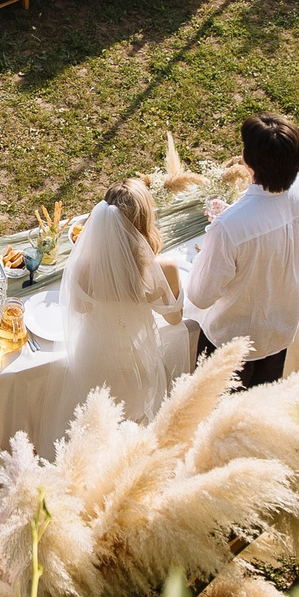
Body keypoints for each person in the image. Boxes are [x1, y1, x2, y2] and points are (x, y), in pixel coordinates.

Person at [185, 113, 299, 388]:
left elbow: (201, 296)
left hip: (229, 345)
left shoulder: (229, 229)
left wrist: (212, 245)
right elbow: (279, 235)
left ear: (248, 162)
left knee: (212, 419)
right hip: (281, 332)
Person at [62, 180, 182, 424]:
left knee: (96, 421)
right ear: (146, 221)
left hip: (94, 358)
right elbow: (175, 318)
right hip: (136, 361)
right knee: (133, 422)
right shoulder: (164, 268)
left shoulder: (85, 268)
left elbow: (79, 308)